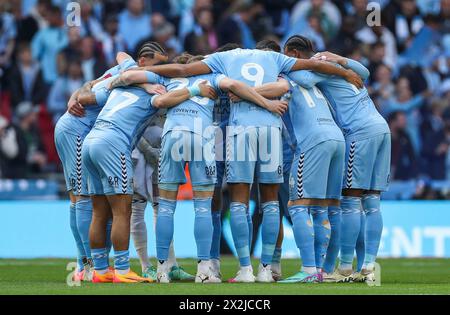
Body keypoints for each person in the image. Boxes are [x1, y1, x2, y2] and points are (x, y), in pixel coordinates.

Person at [141, 43, 363, 283]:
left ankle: (238, 269)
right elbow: (311, 64)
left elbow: (184, 72)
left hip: (232, 131)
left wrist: (132, 74)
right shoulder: (273, 58)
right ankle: (266, 269)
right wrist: (346, 72)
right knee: (270, 203)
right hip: (270, 130)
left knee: (232, 203)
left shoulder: (220, 60)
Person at [283, 35, 390, 283]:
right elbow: (364, 72)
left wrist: (295, 67)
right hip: (381, 127)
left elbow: (302, 78)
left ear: (293, 53)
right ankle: (369, 267)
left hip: (359, 132)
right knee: (372, 202)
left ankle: (342, 267)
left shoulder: (319, 65)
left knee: (350, 202)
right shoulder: (336, 63)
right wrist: (342, 62)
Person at [54, 52, 139, 282]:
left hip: (75, 129)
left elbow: (89, 84)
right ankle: (88, 266)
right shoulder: (130, 75)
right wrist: (77, 96)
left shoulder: (121, 70)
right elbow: (88, 94)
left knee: (78, 199)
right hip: (78, 131)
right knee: (82, 199)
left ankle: (87, 264)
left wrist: (76, 93)